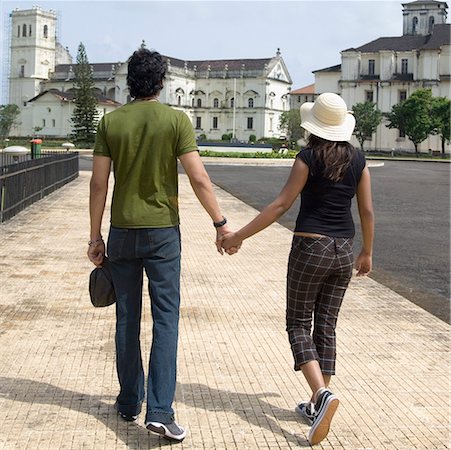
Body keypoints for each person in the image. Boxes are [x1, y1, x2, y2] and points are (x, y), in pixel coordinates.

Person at [87, 48, 233, 443]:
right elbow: (200, 178)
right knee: (166, 320)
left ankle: (129, 400)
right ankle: (160, 411)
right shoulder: (176, 120)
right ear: (162, 82)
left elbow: (98, 183)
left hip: (121, 231)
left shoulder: (111, 122)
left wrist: (95, 235)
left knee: (126, 319)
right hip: (164, 233)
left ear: (128, 82)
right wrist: (219, 223)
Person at [220, 93, 374, 446]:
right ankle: (316, 401)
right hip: (343, 250)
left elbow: (280, 205)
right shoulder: (359, 159)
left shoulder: (307, 157)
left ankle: (321, 395)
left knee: (297, 324)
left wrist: (238, 236)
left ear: (313, 127)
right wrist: (367, 251)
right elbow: (367, 211)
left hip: (310, 247)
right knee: (327, 325)